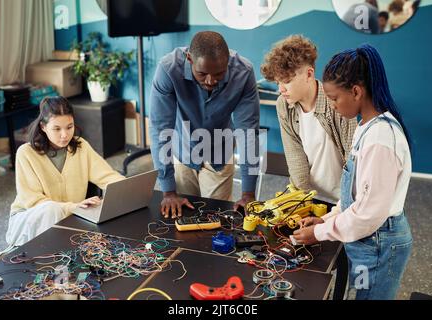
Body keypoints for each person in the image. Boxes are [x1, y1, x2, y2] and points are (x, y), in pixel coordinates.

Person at [293, 44, 413, 300]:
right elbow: (357, 195)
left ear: (356, 91)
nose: (332, 105)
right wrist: (326, 219)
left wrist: (318, 234)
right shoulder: (365, 127)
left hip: (379, 243)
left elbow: (369, 214)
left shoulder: (380, 139)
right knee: (360, 293)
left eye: (334, 98)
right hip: (366, 239)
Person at [0, 96, 124, 265]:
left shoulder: (80, 146)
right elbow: (34, 202)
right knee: (51, 210)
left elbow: (108, 176)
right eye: (57, 129)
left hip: (68, 217)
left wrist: (128, 189)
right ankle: (9, 254)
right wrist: (72, 207)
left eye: (69, 127)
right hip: (29, 221)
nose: (64, 135)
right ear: (43, 127)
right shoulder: (26, 153)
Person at [149, 31, 260, 219]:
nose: (210, 81)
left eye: (219, 73)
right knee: (182, 219)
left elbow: (248, 132)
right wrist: (168, 191)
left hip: (219, 152)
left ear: (228, 62)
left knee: (216, 219)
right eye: (202, 73)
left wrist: (248, 193)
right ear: (189, 59)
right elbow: (160, 129)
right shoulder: (168, 69)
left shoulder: (243, 72)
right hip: (182, 150)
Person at [260, 35, 357, 204]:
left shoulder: (336, 101)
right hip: (311, 196)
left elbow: (353, 159)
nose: (281, 89)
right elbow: (294, 156)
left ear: (309, 74)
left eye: (287, 81)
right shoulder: (283, 105)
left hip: (344, 198)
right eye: (277, 83)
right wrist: (302, 201)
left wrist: (346, 206)